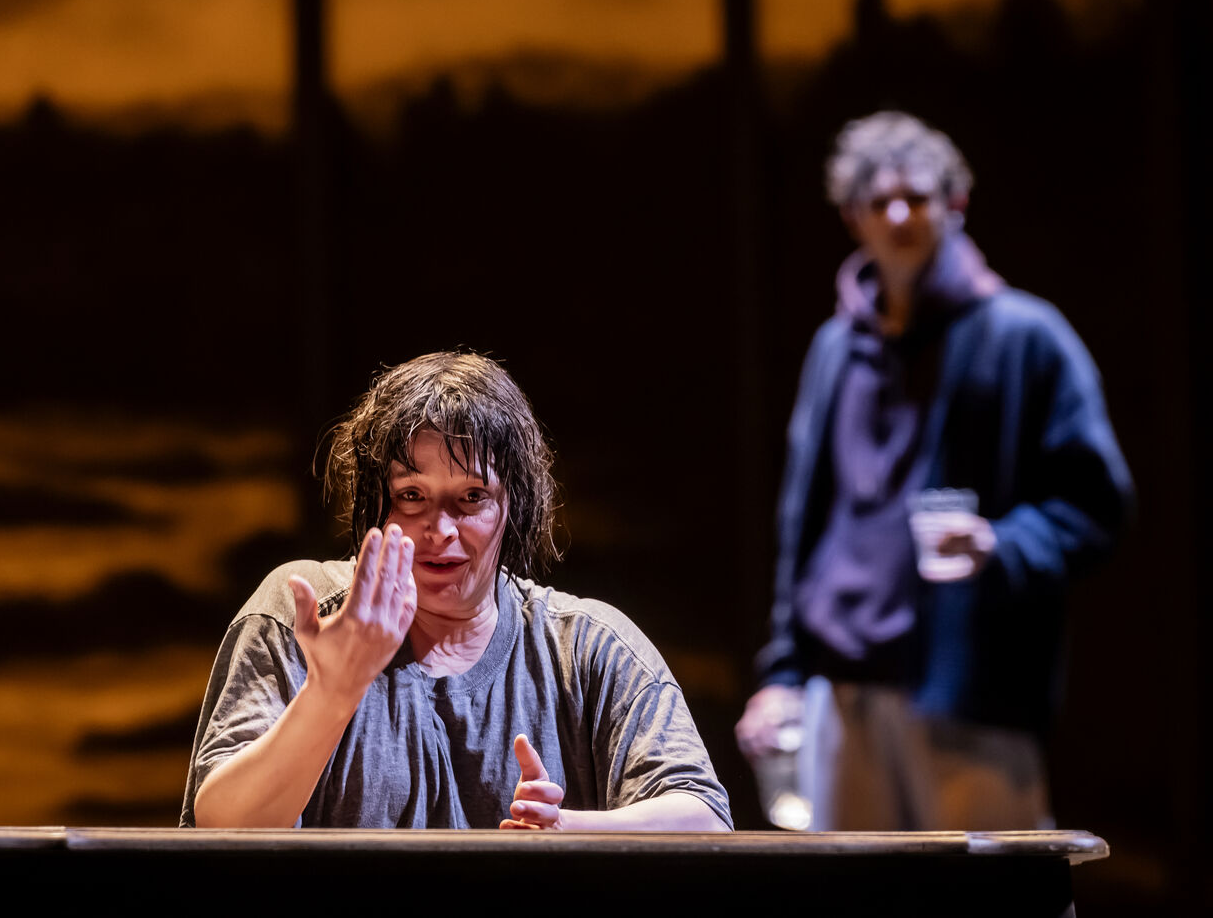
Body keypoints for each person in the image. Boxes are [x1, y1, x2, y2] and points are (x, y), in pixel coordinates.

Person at [735, 111, 1133, 831]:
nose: (899, 215)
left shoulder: (1024, 336)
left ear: (956, 203)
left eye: (917, 197)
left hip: (969, 692)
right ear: (853, 216)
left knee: (986, 885)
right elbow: (806, 523)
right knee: (852, 888)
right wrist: (786, 673)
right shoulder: (836, 348)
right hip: (842, 690)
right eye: (880, 200)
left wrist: (1003, 543)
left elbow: (1097, 502)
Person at [182, 350, 733, 831]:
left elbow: (704, 817)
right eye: (411, 495)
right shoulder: (304, 613)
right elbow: (222, 828)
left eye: (471, 497)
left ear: (513, 505)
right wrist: (332, 691)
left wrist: (567, 830)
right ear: (375, 503)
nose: (440, 529)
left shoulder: (584, 648)